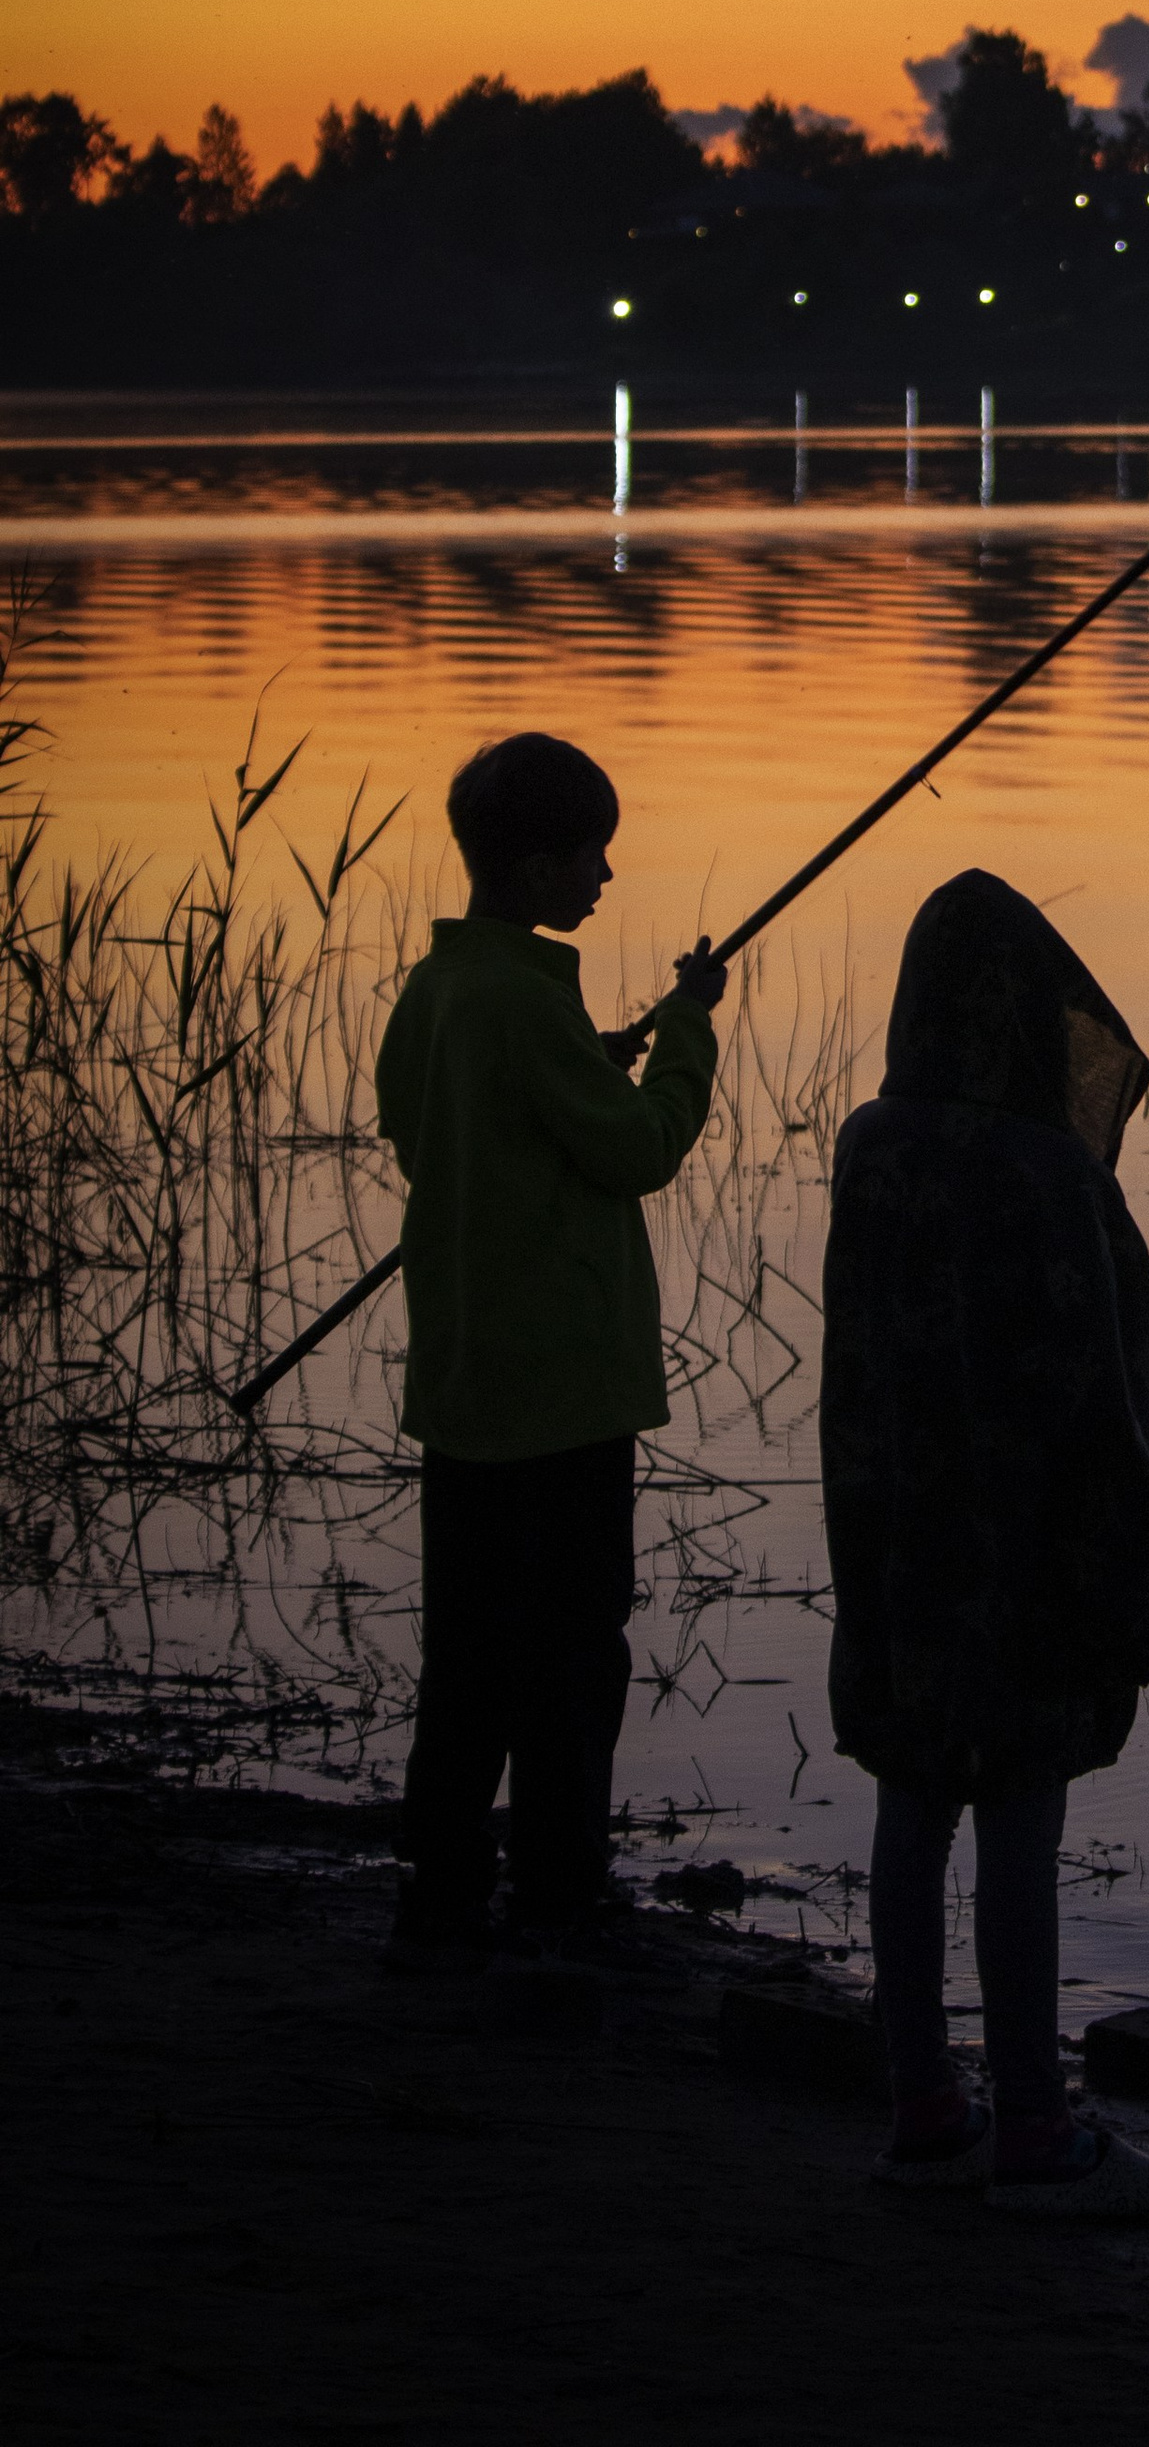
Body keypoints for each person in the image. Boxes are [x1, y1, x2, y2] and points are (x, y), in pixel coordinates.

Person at [822, 870, 1149, 2219]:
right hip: (1024, 1561)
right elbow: (1098, 1390)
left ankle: (925, 2107)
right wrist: (1132, 1571)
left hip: (897, 1546)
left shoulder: (872, 1140)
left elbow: (851, 1367)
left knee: (909, 1810)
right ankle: (1036, 2129)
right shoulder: (1046, 1168)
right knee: (1022, 1832)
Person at [376, 729, 727, 1960]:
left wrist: (586, 1065)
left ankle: (445, 1873)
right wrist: (685, 1036)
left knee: (468, 1654)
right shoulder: (521, 1001)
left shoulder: (443, 990)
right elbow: (638, 1153)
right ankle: (560, 1881)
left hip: (467, 1386)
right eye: (591, 857)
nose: (605, 879)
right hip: (562, 1395)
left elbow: (430, 1128)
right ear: (532, 871)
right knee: (575, 1651)